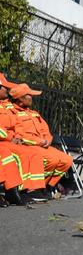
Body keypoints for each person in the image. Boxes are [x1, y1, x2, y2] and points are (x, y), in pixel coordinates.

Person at [10, 83, 73, 196]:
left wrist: (48, 139)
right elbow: (19, 134)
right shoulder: (13, 114)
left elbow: (45, 129)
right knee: (52, 160)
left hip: (43, 145)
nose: (32, 97)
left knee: (67, 160)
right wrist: (40, 142)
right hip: (29, 146)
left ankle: (49, 185)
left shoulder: (34, 113)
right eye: (29, 95)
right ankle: (36, 188)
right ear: (20, 99)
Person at [0, 74, 46, 204]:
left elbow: (17, 124)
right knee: (10, 155)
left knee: (32, 153)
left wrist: (18, 136)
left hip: (11, 141)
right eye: (5, 87)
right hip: (5, 141)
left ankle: (32, 189)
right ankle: (16, 191)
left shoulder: (6, 105)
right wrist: (11, 137)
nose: (7, 90)